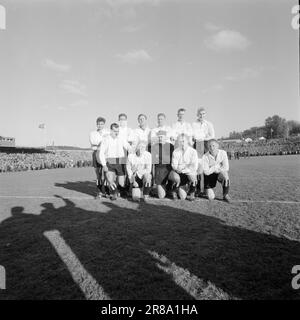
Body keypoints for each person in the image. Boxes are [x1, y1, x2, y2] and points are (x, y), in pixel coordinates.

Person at [98, 123, 131, 200]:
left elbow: (128, 146)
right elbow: (101, 153)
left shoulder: (121, 138)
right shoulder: (106, 139)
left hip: (120, 162)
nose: (116, 133)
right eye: (115, 131)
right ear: (111, 130)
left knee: (121, 183)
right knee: (110, 180)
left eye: (118, 131)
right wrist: (104, 165)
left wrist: (134, 150)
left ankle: (121, 191)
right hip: (110, 162)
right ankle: (113, 193)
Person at [192, 107, 215, 197]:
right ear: (197, 114)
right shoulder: (194, 124)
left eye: (203, 114)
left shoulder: (209, 124)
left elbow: (212, 135)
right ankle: (197, 189)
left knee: (206, 166)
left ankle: (207, 187)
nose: (202, 115)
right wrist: (196, 138)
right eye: (200, 114)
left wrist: (203, 138)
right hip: (197, 144)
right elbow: (193, 135)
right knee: (198, 168)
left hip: (206, 144)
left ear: (205, 114)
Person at [169, 134, 198, 201]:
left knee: (193, 178)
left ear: (187, 141)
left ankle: (192, 193)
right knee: (182, 197)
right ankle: (174, 191)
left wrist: (183, 170)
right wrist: (177, 169)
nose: (182, 143)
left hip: (188, 172)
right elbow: (174, 165)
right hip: (178, 172)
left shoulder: (193, 151)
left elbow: (194, 166)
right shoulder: (175, 151)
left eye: (183, 141)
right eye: (180, 141)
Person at [89, 117, 110, 198]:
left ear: (104, 124)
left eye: (101, 124)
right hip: (96, 153)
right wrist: (102, 142)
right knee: (98, 175)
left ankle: (107, 191)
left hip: (105, 154)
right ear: (96, 124)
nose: (100, 125)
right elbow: (93, 143)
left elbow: (109, 142)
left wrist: (100, 144)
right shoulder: (92, 133)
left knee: (106, 173)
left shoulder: (108, 132)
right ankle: (99, 192)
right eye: (98, 124)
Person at [151, 130, 174, 199]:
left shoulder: (170, 146)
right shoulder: (154, 146)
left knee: (175, 178)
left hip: (168, 168)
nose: (160, 138)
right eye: (159, 137)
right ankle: (163, 189)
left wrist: (159, 156)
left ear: (165, 137)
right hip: (159, 168)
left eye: (162, 137)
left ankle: (171, 189)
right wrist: (164, 157)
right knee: (161, 196)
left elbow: (170, 159)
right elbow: (154, 160)